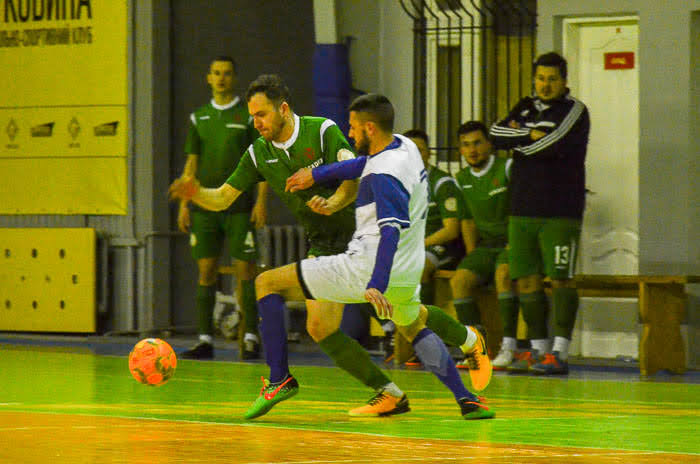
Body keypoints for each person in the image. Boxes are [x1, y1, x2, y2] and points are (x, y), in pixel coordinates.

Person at [170, 78, 491, 419]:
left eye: (262, 114)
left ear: (283, 108)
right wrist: (195, 193)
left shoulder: (321, 131)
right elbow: (222, 197)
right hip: (326, 244)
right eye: (252, 116)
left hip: (360, 237)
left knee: (275, 286)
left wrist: (334, 199)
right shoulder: (257, 153)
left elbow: (356, 174)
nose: (257, 123)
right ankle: (446, 366)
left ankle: (281, 380)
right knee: (341, 324)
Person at [489, 52, 590, 375]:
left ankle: (560, 352)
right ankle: (538, 350)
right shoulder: (524, 106)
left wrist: (518, 141)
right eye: (541, 78)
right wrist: (527, 135)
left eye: (552, 79)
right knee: (526, 280)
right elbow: (494, 133)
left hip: (560, 210)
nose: (545, 85)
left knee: (560, 278)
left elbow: (552, 144)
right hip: (522, 208)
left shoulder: (575, 111)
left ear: (564, 81)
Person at [176, 56, 267, 360]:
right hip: (204, 209)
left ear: (234, 78)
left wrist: (261, 202)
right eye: (216, 73)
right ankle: (204, 340)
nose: (221, 78)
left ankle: (251, 335)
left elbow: (261, 162)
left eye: (227, 73)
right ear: (208, 78)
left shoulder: (247, 116)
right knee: (206, 271)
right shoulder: (199, 118)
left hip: (240, 207)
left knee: (246, 270)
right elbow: (192, 165)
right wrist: (185, 204)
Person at [450, 121, 520, 370]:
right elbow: (466, 220)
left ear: (489, 144)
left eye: (478, 143)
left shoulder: (508, 168)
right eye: (466, 145)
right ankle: (476, 350)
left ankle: (509, 347)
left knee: (503, 275)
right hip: (485, 247)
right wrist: (472, 257)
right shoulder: (461, 179)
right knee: (459, 281)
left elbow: (520, 207)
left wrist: (516, 242)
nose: (473, 150)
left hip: (513, 243)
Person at [403, 129, 465, 306]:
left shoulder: (441, 183)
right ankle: (389, 326)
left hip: (442, 246)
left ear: (429, 153)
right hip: (412, 245)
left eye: (419, 150)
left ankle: (426, 326)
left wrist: (418, 244)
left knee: (418, 267)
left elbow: (451, 230)